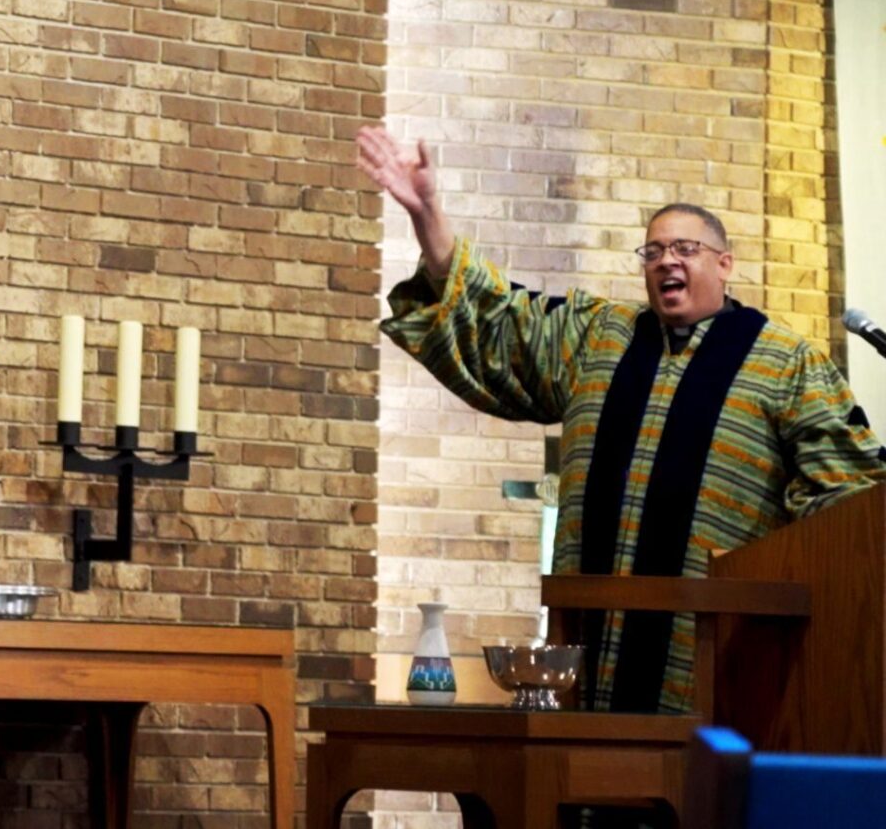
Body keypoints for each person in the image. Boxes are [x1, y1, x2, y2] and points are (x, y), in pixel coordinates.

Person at [358, 125, 886, 714]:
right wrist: (429, 214)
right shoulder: (597, 336)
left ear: (725, 263)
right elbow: (496, 319)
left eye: (685, 249)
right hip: (587, 637)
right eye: (654, 250)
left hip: (711, 658)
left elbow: (849, 500)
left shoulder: (787, 362)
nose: (667, 261)